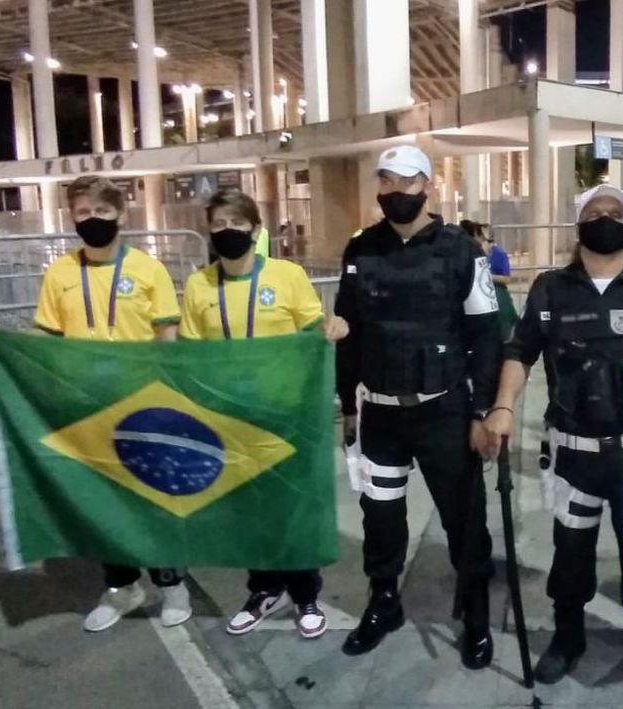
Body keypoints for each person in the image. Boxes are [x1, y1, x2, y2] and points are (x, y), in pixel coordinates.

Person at [482, 184, 623, 688]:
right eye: (596, 212)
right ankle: (568, 636)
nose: (606, 219)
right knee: (571, 555)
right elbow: (519, 351)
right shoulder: (551, 288)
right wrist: (503, 407)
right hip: (573, 451)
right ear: (579, 224)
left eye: (616, 212)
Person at [334, 146, 501, 669]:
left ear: (427, 186)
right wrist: (349, 407)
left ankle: (475, 613)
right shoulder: (360, 249)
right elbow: (348, 333)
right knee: (380, 518)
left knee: (464, 520)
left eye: (406, 183)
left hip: (445, 413)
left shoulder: (462, 251)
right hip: (380, 415)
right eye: (385, 182)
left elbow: (486, 336)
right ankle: (384, 602)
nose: (394, 193)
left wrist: (482, 412)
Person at [178, 190, 348, 639]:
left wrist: (333, 326)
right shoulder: (199, 285)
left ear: (255, 230)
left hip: (287, 414)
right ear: (209, 232)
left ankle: (306, 592)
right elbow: (192, 354)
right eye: (218, 224)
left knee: (293, 504)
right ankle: (263, 589)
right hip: (231, 419)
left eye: (237, 222)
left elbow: (315, 328)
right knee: (252, 510)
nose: (228, 231)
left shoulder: (288, 276)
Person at [33, 175, 190, 633]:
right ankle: (122, 586)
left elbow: (167, 335)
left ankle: (171, 584)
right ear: (72, 218)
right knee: (103, 502)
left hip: (141, 406)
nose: (93, 221)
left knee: (153, 496)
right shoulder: (59, 272)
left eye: (102, 212)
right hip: (85, 407)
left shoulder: (148, 270)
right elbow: (45, 335)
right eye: (83, 213)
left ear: (121, 215)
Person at [461, 219, 518, 338]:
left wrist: (485, 277)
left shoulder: (498, 254)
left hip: (496, 307)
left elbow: (507, 278)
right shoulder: (468, 255)